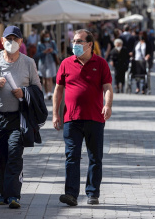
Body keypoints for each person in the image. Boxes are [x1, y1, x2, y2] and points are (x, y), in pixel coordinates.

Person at [0, 26, 41, 209]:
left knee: (14, 153)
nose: (11, 42)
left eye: (15, 39)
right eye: (8, 38)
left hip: (18, 118)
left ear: (21, 42)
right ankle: (3, 194)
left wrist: (24, 92)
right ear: (2, 40)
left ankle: (14, 195)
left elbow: (37, 88)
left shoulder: (28, 62)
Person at [53, 29, 113, 206]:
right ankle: (71, 194)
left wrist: (107, 105)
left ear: (89, 44)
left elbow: (108, 87)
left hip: (95, 118)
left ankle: (92, 193)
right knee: (72, 156)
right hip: (71, 119)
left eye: (79, 41)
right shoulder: (66, 63)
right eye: (74, 41)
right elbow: (58, 90)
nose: (75, 44)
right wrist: (55, 113)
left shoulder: (100, 63)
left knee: (95, 157)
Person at [36, 30, 58, 100]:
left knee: (50, 77)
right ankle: (46, 93)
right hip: (43, 62)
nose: (47, 37)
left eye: (48, 36)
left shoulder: (52, 43)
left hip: (51, 61)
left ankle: (49, 92)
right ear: (42, 37)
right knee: (44, 78)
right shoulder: (39, 44)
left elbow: (56, 51)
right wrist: (44, 52)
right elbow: (37, 55)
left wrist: (52, 51)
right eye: (45, 36)